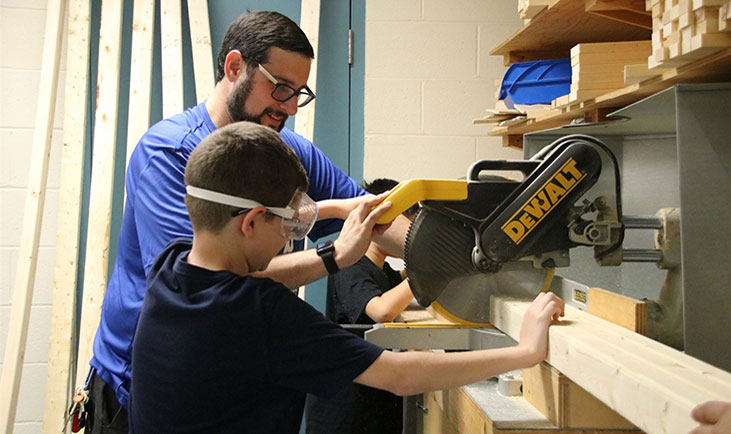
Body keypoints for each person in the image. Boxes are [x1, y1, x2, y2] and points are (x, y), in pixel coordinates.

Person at [84, 10, 410, 434]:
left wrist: (444, 256)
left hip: (231, 383)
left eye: (300, 93)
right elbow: (208, 286)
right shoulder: (169, 156)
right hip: (143, 389)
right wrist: (330, 258)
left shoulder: (290, 152)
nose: (290, 107)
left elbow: (370, 213)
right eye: (280, 88)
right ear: (234, 66)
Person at [128, 121, 565, 433]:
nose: (287, 239)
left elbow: (257, 278)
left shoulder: (172, 266)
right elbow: (399, 375)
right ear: (250, 221)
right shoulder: (263, 316)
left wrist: (335, 252)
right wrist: (525, 351)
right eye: (287, 227)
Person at [306, 178, 418, 434]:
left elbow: (396, 289)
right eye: (408, 227)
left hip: (371, 402)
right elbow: (381, 309)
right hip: (345, 409)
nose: (408, 236)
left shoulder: (382, 270)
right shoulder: (350, 266)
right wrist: (426, 272)